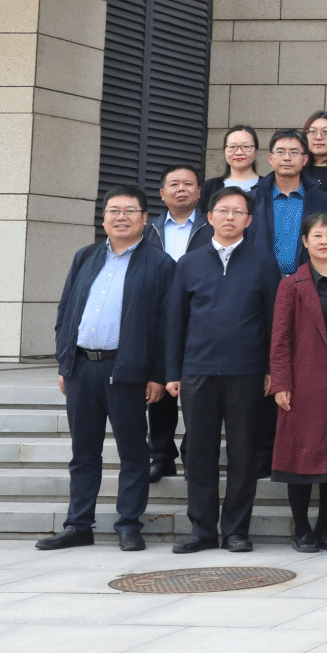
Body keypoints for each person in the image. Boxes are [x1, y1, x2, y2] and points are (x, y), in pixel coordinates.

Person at [40, 186, 170, 552]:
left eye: (130, 210)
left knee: (133, 453)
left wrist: (158, 374)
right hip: (82, 368)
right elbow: (66, 310)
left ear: (144, 218)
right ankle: (78, 524)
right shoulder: (86, 256)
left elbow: (167, 325)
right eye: (113, 210)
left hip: (127, 369)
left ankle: (128, 524)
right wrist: (65, 361)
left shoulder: (160, 264)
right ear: (104, 218)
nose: (121, 217)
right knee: (83, 452)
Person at [164, 187, 280, 554]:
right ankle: (202, 530)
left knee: (243, 453)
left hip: (246, 371)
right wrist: (173, 371)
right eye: (223, 210)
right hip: (197, 370)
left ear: (249, 220)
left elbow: (274, 321)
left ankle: (236, 531)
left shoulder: (263, 262)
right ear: (210, 216)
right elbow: (175, 321)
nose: (230, 217)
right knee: (199, 452)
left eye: (238, 212)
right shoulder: (189, 263)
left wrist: (270, 368)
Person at [269, 211, 327, 553]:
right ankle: (302, 529)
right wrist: (281, 382)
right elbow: (279, 338)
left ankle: (323, 528)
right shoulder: (291, 285)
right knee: (301, 454)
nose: (324, 241)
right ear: (305, 241)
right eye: (317, 236)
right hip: (305, 383)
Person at [143, 166, 204, 484]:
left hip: (200, 317)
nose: (182, 189)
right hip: (158, 317)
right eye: (174, 184)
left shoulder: (211, 225)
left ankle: (193, 453)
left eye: (188, 184)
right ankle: (161, 455)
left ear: (199, 191)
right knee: (159, 387)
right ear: (162, 193)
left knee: (197, 391)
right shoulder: (148, 229)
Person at [250, 129, 327, 279]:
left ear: (305, 159)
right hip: (260, 281)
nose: (287, 158)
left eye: (294, 152)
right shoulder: (252, 199)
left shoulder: (322, 200)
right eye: (280, 152)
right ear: (270, 158)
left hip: (308, 281)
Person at [206, 124, 263, 202]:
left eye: (246, 146)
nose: (239, 152)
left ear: (255, 151)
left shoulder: (268, 186)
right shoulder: (209, 187)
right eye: (232, 147)